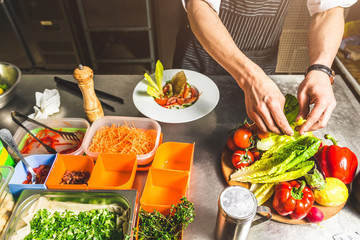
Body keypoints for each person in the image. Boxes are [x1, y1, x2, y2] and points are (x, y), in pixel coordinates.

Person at [173, 0, 357, 136]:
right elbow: (199, 4)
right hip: (200, 54)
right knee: (186, 135)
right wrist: (249, 77)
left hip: (261, 58)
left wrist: (321, 69)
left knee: (255, 135)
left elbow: (329, 8)